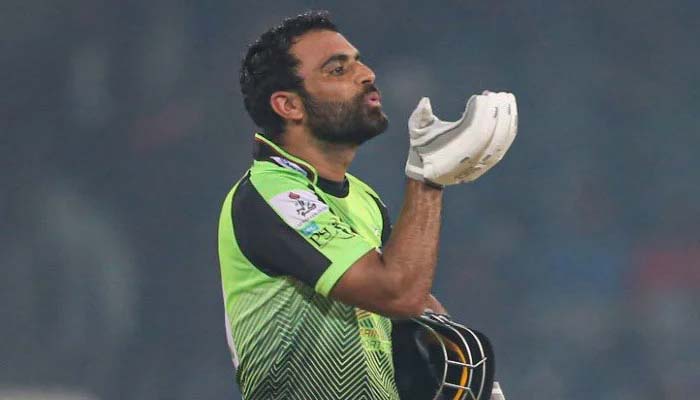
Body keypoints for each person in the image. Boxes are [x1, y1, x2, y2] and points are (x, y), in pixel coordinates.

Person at [217, 10, 517, 400]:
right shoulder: (269, 194)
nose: (367, 73)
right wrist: (427, 179)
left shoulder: (363, 197)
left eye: (358, 60)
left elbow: (406, 306)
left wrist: (459, 369)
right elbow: (395, 292)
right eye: (338, 69)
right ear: (289, 106)